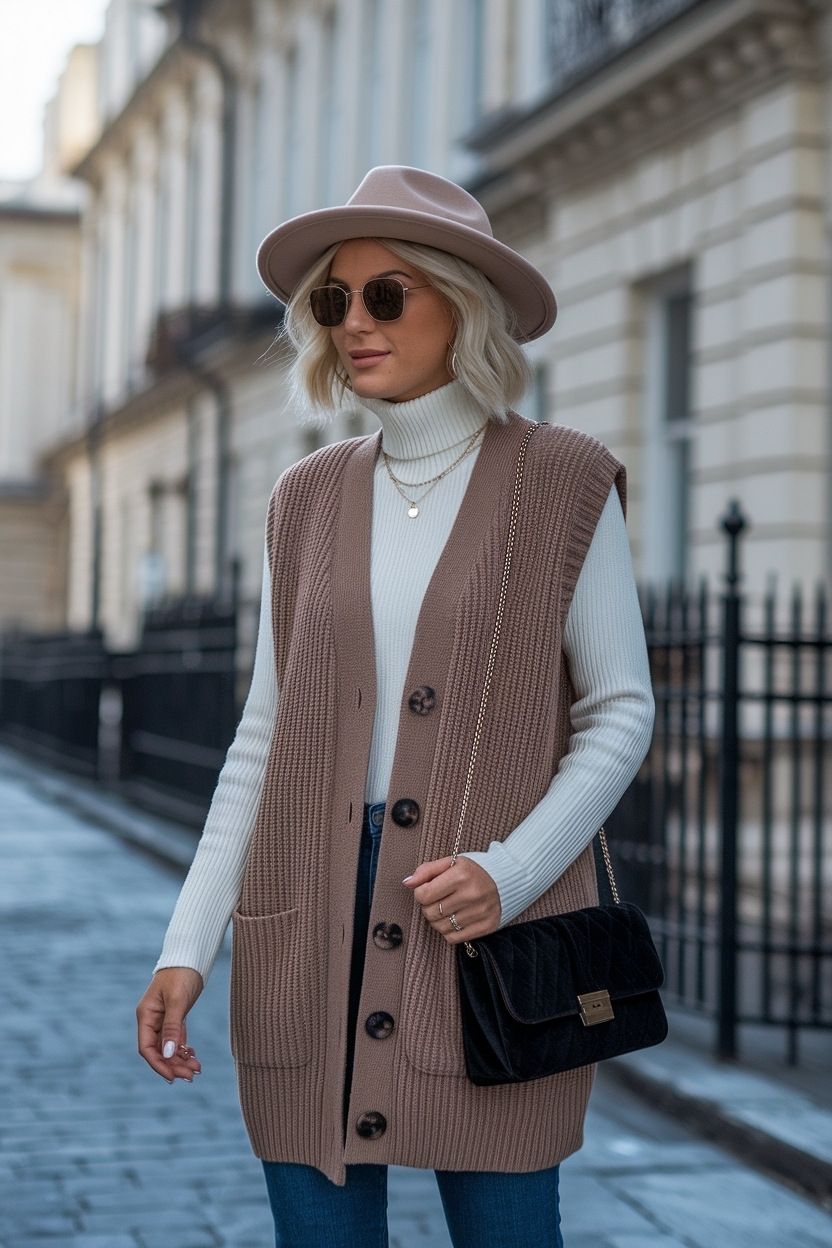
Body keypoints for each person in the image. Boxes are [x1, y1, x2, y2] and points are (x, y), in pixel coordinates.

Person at [136, 165, 654, 1248]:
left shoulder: (564, 483)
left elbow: (617, 713)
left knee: (510, 1230)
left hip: (483, 927)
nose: (353, 323)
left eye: (387, 293)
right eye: (332, 301)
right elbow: (263, 738)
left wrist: (509, 872)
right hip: (305, 918)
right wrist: (189, 943)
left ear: (461, 303)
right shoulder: (305, 499)